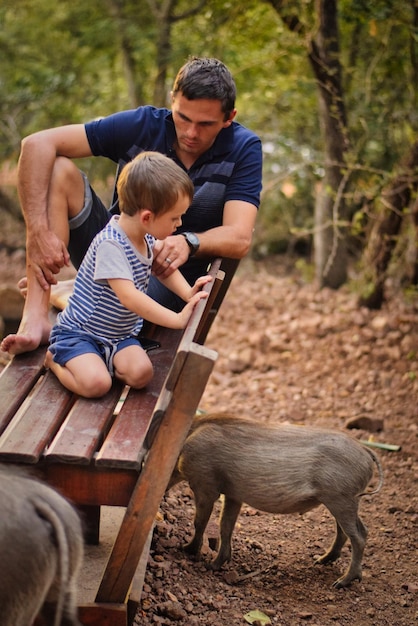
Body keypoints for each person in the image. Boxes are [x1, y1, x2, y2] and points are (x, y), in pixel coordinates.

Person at [1, 56, 262, 355]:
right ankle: (35, 318)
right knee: (59, 169)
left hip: (166, 281)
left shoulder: (244, 148)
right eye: (183, 118)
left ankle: (71, 293)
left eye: (205, 124)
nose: (190, 133)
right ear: (172, 101)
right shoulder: (143, 125)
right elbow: (36, 144)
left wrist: (190, 242)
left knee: (115, 294)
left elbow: (240, 236)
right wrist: (36, 232)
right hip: (115, 251)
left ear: (229, 117)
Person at [45, 152, 211, 398]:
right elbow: (129, 297)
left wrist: (188, 294)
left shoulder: (144, 237)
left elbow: (163, 268)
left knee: (142, 375)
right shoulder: (110, 245)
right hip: (81, 334)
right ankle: (55, 359)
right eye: (175, 218)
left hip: (118, 335)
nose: (178, 224)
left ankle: (99, 362)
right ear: (147, 217)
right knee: (96, 386)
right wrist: (176, 319)